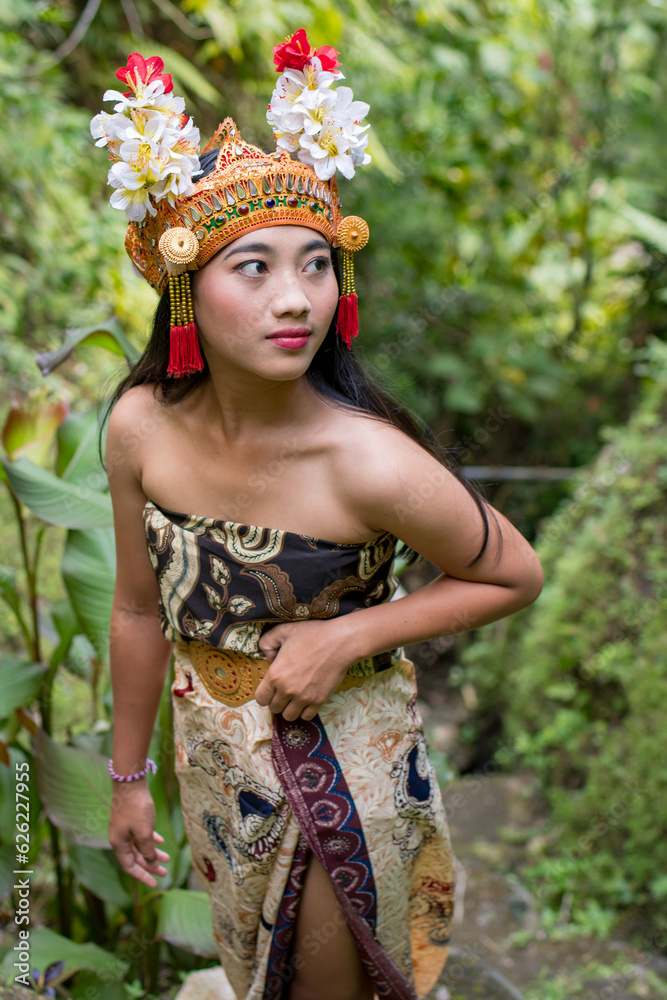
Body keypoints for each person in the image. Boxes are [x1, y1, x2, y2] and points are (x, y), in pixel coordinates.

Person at [95, 37, 543, 1000]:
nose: (295, 297)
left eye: (314, 265)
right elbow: (138, 612)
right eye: (252, 268)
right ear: (184, 287)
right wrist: (127, 781)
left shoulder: (365, 457)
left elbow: (515, 574)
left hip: (347, 763)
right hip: (214, 762)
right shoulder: (137, 430)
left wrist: (353, 633)